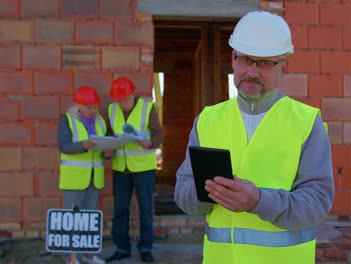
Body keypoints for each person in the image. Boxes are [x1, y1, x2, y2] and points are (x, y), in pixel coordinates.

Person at [174, 11, 334, 264]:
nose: (252, 71)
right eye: (245, 60)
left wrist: (258, 200)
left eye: (265, 63)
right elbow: (183, 195)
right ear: (233, 59)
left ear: (285, 67)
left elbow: (316, 204)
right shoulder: (207, 119)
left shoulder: (305, 122)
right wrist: (208, 192)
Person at [104, 77, 164, 263]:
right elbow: (108, 135)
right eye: (119, 101)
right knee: (120, 209)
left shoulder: (147, 108)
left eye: (126, 100)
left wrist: (150, 143)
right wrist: (107, 148)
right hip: (121, 168)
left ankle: (145, 248)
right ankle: (122, 248)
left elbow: (159, 134)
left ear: (133, 94)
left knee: (146, 209)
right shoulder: (111, 110)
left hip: (144, 168)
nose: (123, 104)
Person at [57, 86, 106, 264]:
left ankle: (88, 254)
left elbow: (100, 149)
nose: (93, 111)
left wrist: (107, 153)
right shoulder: (67, 119)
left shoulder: (100, 123)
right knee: (73, 219)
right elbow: (63, 146)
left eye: (95, 107)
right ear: (79, 106)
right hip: (74, 179)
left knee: (90, 218)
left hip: (94, 178)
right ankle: (71, 257)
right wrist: (82, 146)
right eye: (89, 107)